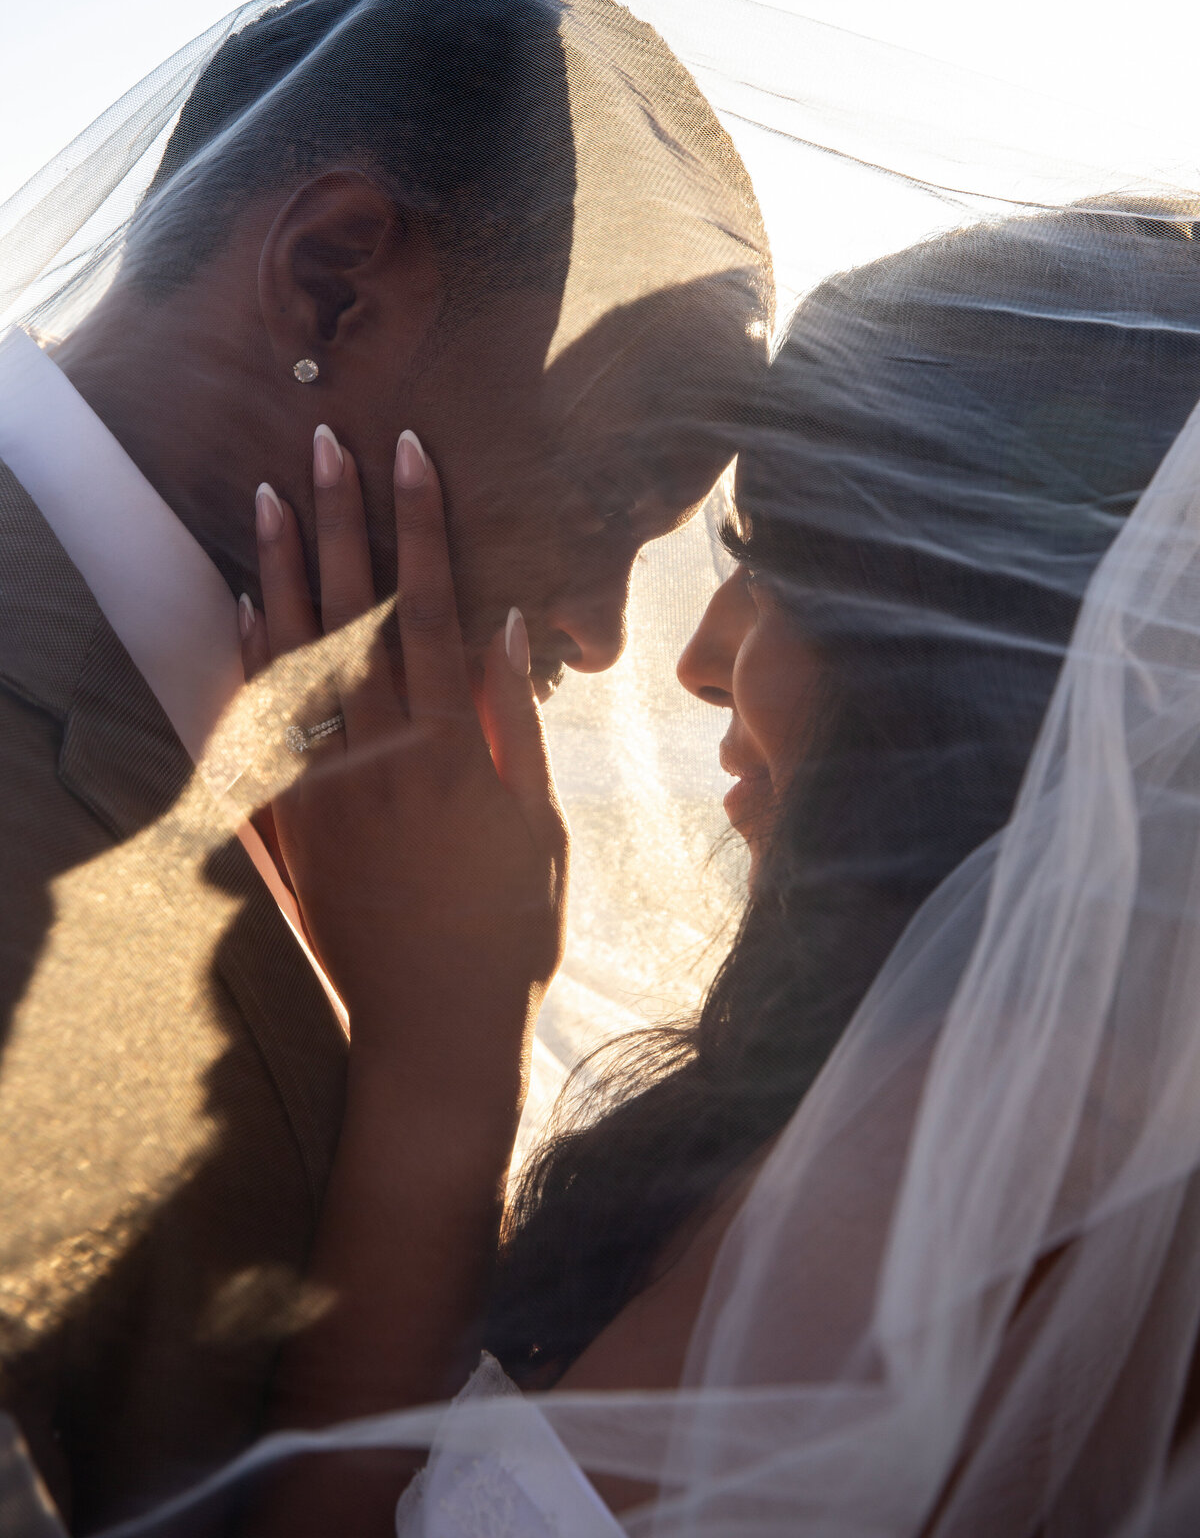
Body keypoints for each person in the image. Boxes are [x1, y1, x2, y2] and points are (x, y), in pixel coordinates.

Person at [191, 195, 1200, 1538]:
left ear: (977, 640)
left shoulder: (990, 1133)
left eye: (776, 563)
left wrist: (442, 1052)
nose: (694, 655)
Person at [0, 0, 771, 1532]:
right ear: (333, 282)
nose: (612, 633)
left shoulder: (340, 766)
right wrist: (447, 1048)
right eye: (611, 490)